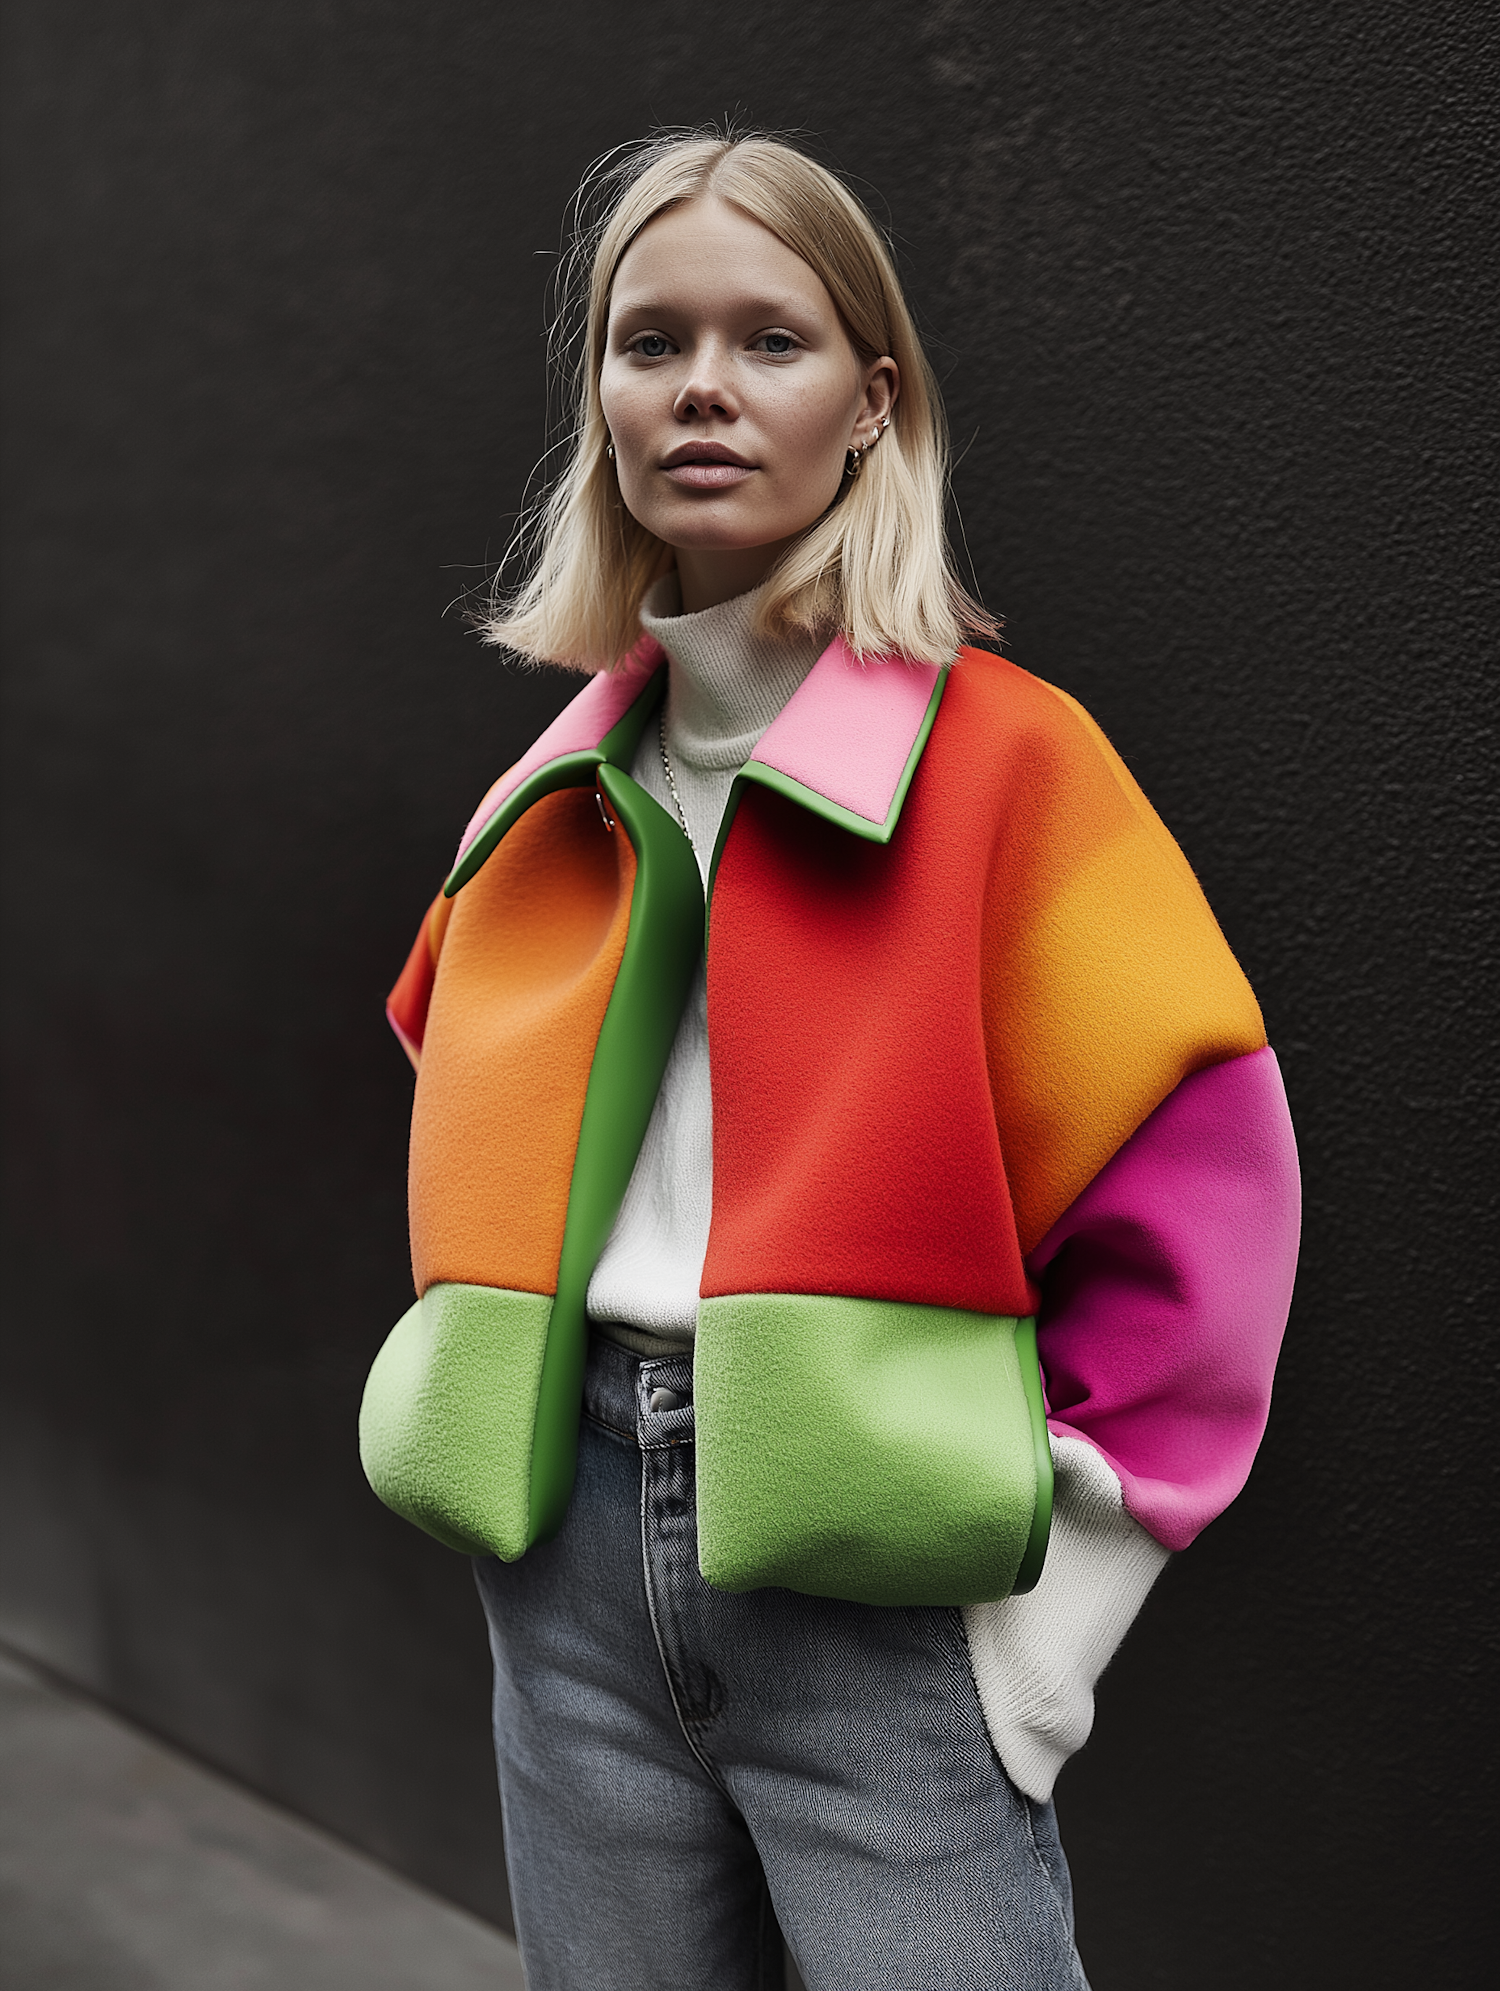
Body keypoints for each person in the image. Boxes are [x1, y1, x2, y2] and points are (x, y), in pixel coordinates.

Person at [359, 130, 1300, 1991]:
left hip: (881, 1591)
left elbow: (1205, 1195)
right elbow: (460, 1093)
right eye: (650, 342)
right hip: (570, 1566)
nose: (700, 386)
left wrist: (1046, 1629)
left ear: (873, 404)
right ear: (603, 400)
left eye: (769, 339)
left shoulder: (1014, 766)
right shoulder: (554, 791)